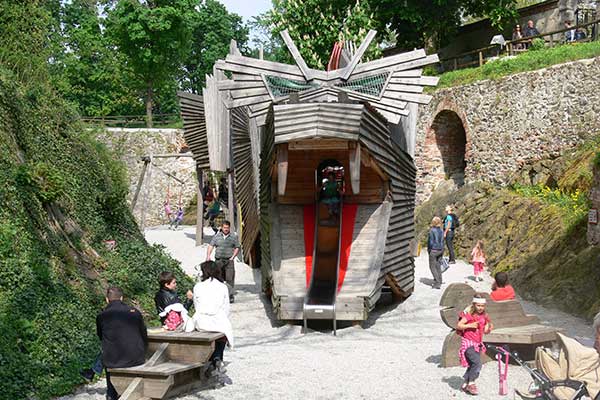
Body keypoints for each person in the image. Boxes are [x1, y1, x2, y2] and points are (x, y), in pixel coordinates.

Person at [96, 287, 147, 400]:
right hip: (136, 358)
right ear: (122, 298)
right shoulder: (134, 312)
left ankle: (111, 393)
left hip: (113, 361)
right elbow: (143, 334)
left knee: (108, 350)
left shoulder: (101, 316)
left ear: (107, 300)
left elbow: (100, 336)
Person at [187, 261, 233, 375]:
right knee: (223, 330)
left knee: (213, 329)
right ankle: (217, 358)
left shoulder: (198, 286)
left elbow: (197, 306)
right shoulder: (222, 287)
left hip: (201, 321)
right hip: (218, 319)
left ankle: (214, 361)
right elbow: (226, 308)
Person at [457, 295, 493, 396]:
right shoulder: (469, 315)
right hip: (468, 343)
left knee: (472, 364)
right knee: (477, 364)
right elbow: (459, 325)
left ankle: (465, 383)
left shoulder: (484, 316)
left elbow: (485, 330)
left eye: (482, 305)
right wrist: (470, 325)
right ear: (474, 305)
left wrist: (489, 327)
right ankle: (471, 383)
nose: (480, 308)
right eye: (478, 305)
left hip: (477, 343)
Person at [206, 220, 240, 303]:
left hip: (229, 260)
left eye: (227, 228)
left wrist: (233, 257)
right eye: (224, 228)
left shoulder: (233, 237)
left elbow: (237, 247)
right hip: (218, 260)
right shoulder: (217, 237)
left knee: (230, 278)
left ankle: (230, 295)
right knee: (218, 278)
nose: (226, 229)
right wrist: (208, 256)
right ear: (221, 227)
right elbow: (211, 245)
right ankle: (219, 295)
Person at [427, 216, 445, 289]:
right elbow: (443, 241)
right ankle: (440, 280)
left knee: (432, 267)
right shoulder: (441, 230)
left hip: (434, 250)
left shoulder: (432, 230)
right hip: (441, 249)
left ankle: (437, 283)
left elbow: (430, 242)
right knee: (438, 266)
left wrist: (429, 250)